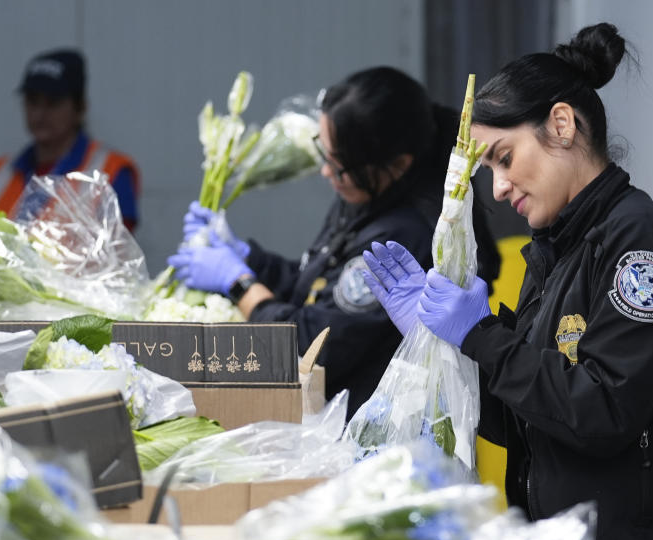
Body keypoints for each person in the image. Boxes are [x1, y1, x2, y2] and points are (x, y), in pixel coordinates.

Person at [363, 24, 653, 540]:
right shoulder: (554, 251)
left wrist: (482, 335)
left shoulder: (638, 243)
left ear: (561, 125)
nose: (499, 186)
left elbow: (603, 410)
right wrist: (444, 352)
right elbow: (529, 419)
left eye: (504, 159)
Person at [166, 66, 501, 416]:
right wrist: (250, 259)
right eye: (325, 154)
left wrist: (239, 283)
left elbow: (314, 349)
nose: (327, 172)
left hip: (376, 435)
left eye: (339, 165)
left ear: (398, 164)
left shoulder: (404, 236)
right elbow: (316, 284)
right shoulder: (366, 190)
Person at [0, 49, 141, 231]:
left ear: (80, 108)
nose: (40, 114)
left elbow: (120, 253)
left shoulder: (111, 171)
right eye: (32, 101)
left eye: (53, 103)